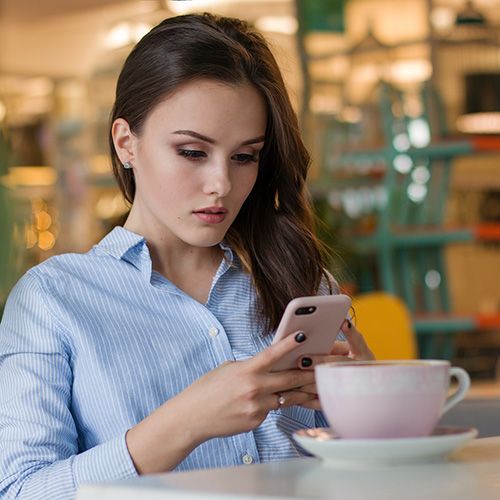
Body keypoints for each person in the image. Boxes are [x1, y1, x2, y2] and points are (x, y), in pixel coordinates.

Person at [0, 13, 374, 499]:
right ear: (125, 142)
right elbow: (20, 490)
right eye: (193, 152)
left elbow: (367, 474)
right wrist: (184, 423)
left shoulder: (298, 281)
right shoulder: (54, 300)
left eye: (245, 156)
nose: (221, 184)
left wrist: (372, 405)